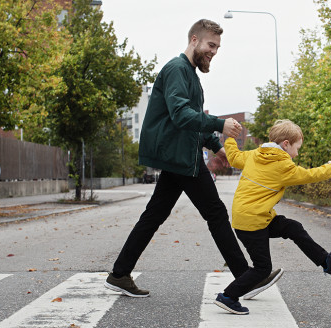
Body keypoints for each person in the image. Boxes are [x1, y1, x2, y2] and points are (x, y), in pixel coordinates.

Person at [104, 19, 283, 298]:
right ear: (194, 40)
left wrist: (217, 146)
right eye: (211, 45)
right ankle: (245, 277)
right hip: (180, 157)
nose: (214, 52)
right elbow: (180, 115)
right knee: (215, 213)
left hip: (178, 155)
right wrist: (219, 125)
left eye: (217, 47)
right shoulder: (177, 70)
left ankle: (119, 274)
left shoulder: (190, 76)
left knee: (154, 215)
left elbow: (192, 123)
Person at [214, 120, 331, 315]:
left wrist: (230, 138)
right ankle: (228, 297)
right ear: (285, 144)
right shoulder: (283, 165)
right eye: (296, 148)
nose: (297, 154)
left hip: (254, 217)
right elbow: (310, 175)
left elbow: (233, 157)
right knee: (263, 268)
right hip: (253, 222)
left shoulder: (255, 155)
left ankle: (326, 261)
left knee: (292, 227)